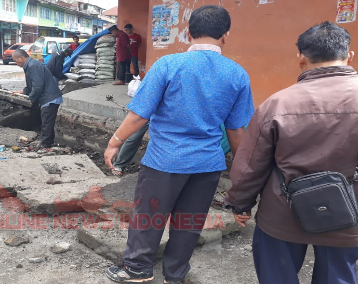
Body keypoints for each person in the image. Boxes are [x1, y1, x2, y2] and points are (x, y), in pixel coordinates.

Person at [103, 6, 254, 283]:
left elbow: (139, 115)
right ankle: (175, 274)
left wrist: (114, 143)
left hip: (165, 161)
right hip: (207, 165)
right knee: (190, 223)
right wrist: (242, 173)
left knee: (149, 216)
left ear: (187, 32)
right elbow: (236, 132)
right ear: (226, 35)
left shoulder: (168, 65)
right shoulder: (237, 74)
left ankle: (137, 268)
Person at [224, 22, 358, 284]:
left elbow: (251, 164)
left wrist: (240, 203)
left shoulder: (278, 103)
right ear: (349, 55)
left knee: (277, 276)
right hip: (349, 215)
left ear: (300, 58)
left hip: (283, 216)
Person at [11, 49, 63, 154]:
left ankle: (46, 146)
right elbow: (33, 85)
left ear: (21, 58)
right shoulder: (30, 65)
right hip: (49, 97)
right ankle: (48, 142)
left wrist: (31, 98)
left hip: (49, 98)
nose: (16, 64)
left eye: (16, 61)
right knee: (47, 122)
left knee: (46, 123)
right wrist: (22, 91)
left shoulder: (32, 66)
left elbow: (38, 87)